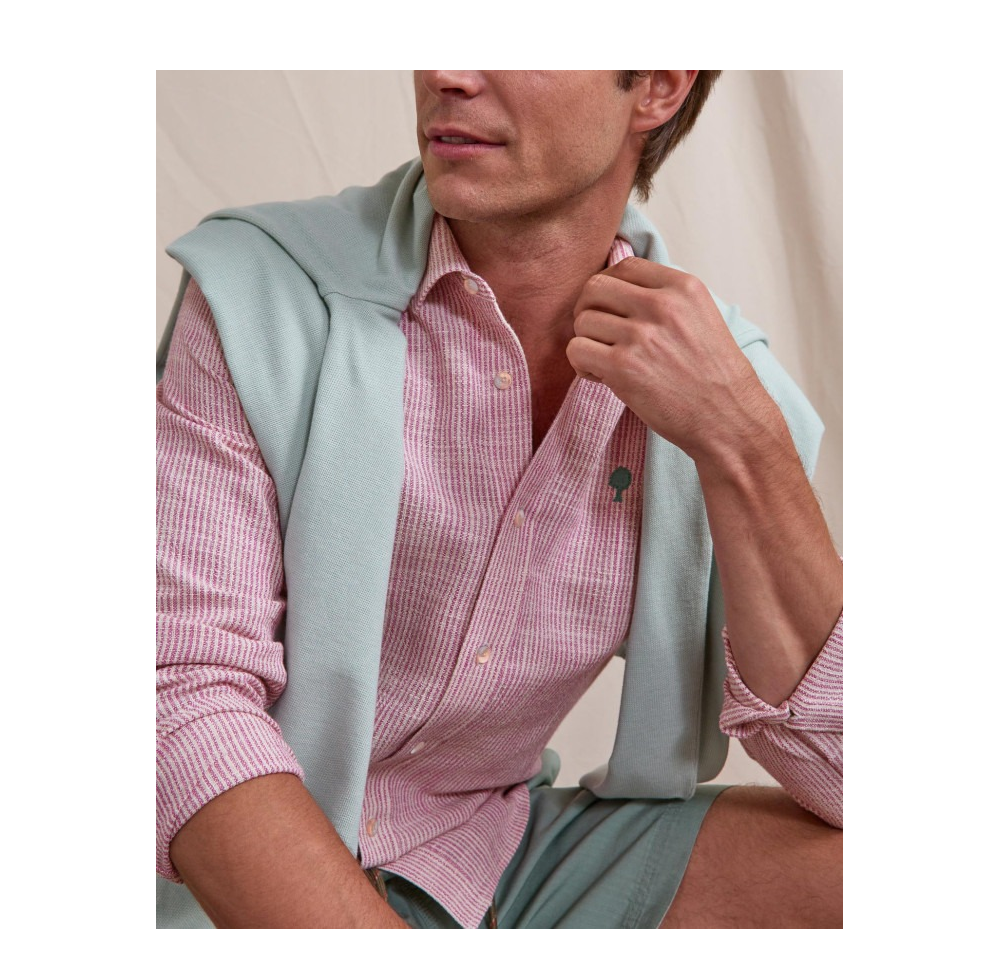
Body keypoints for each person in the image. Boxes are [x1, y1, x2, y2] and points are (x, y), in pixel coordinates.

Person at [156, 71, 843, 929]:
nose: (449, 70)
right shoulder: (262, 293)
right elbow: (175, 693)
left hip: (484, 849)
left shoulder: (712, 374)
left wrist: (745, 442)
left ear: (659, 86)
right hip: (222, 882)